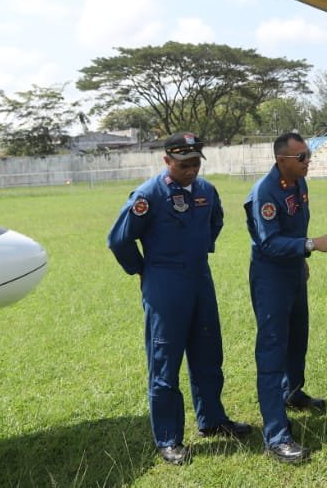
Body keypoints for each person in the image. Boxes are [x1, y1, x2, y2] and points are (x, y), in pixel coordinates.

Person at [106, 132, 253, 465]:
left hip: (200, 279)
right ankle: (169, 439)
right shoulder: (148, 196)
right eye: (184, 164)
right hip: (164, 284)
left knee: (208, 353)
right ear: (167, 161)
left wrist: (199, 248)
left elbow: (216, 220)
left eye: (196, 163)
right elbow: (118, 239)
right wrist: (142, 270)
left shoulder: (206, 191)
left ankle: (212, 419)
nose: (191, 170)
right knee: (165, 362)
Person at [245, 132, 327, 463]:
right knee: (272, 350)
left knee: (297, 337)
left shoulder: (299, 183)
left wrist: (301, 257)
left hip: (293, 271)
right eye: (301, 157)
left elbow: (294, 227)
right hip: (271, 278)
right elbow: (268, 242)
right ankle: (276, 436)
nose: (308, 161)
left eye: (308, 155)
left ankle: (292, 393)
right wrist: (310, 245)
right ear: (281, 160)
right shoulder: (264, 192)